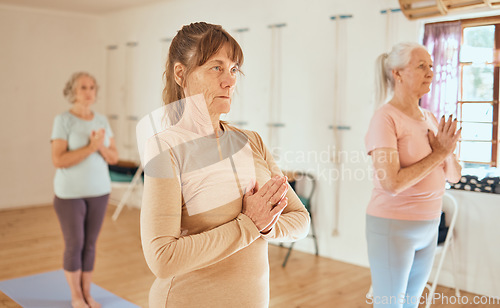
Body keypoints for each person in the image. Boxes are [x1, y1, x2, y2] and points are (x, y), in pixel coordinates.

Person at [139, 22, 310, 308]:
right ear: (181, 74)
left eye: (233, 69)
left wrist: (266, 227)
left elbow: (300, 220)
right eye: (216, 68)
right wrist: (249, 225)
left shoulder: (251, 141)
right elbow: (163, 258)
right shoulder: (165, 147)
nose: (229, 81)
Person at [365, 42, 462, 308]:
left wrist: (446, 152)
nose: (431, 72)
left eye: (431, 66)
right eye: (421, 66)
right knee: (389, 304)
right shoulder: (385, 119)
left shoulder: (430, 117)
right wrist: (439, 153)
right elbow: (391, 183)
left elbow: (454, 176)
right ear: (397, 73)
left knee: (411, 303)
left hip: (429, 225)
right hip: (392, 227)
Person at [51, 72, 118, 308]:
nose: (89, 92)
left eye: (92, 87)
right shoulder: (63, 120)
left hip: (100, 192)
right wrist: (90, 147)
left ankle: (88, 294)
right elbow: (58, 160)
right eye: (83, 87)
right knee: (75, 243)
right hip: (70, 195)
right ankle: (76, 296)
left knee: (90, 244)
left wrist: (100, 148)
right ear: (72, 92)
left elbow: (113, 156)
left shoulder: (101, 121)